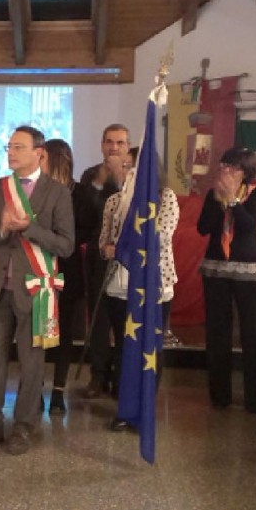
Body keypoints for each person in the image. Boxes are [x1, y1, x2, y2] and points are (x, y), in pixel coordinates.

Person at [0, 126, 74, 456]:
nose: (10, 152)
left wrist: (30, 229)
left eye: (18, 147)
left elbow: (66, 245)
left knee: (31, 362)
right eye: (8, 147)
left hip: (36, 291)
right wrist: (1, 229)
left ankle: (24, 426)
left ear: (39, 153)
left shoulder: (57, 193)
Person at [196, 146, 256, 416]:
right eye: (223, 166)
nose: (225, 172)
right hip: (216, 268)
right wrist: (218, 201)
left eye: (231, 168)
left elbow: (248, 225)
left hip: (247, 269)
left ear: (245, 172)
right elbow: (202, 228)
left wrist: (232, 200)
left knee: (253, 332)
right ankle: (219, 396)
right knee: (217, 333)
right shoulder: (213, 194)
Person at [103, 149, 180, 431]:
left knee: (150, 348)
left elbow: (161, 236)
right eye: (125, 167)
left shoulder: (165, 197)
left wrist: (129, 241)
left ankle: (144, 408)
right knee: (124, 348)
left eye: (133, 167)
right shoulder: (114, 200)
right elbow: (104, 239)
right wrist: (107, 248)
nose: (128, 172)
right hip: (119, 284)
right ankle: (125, 409)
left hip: (153, 284)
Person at [40, 138, 93, 415]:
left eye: (43, 157)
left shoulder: (80, 193)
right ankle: (34, 386)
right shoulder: (36, 190)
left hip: (68, 269)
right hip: (39, 268)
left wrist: (62, 238)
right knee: (39, 331)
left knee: (64, 334)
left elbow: (89, 228)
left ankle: (58, 391)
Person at [79, 123, 131, 397]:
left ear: (127, 146)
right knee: (99, 319)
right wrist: (102, 183)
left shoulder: (136, 176)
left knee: (124, 321)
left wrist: (120, 179)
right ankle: (98, 376)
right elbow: (88, 215)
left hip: (129, 259)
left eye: (120, 142)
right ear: (102, 145)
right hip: (99, 256)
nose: (114, 147)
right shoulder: (91, 175)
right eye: (109, 142)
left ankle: (122, 377)